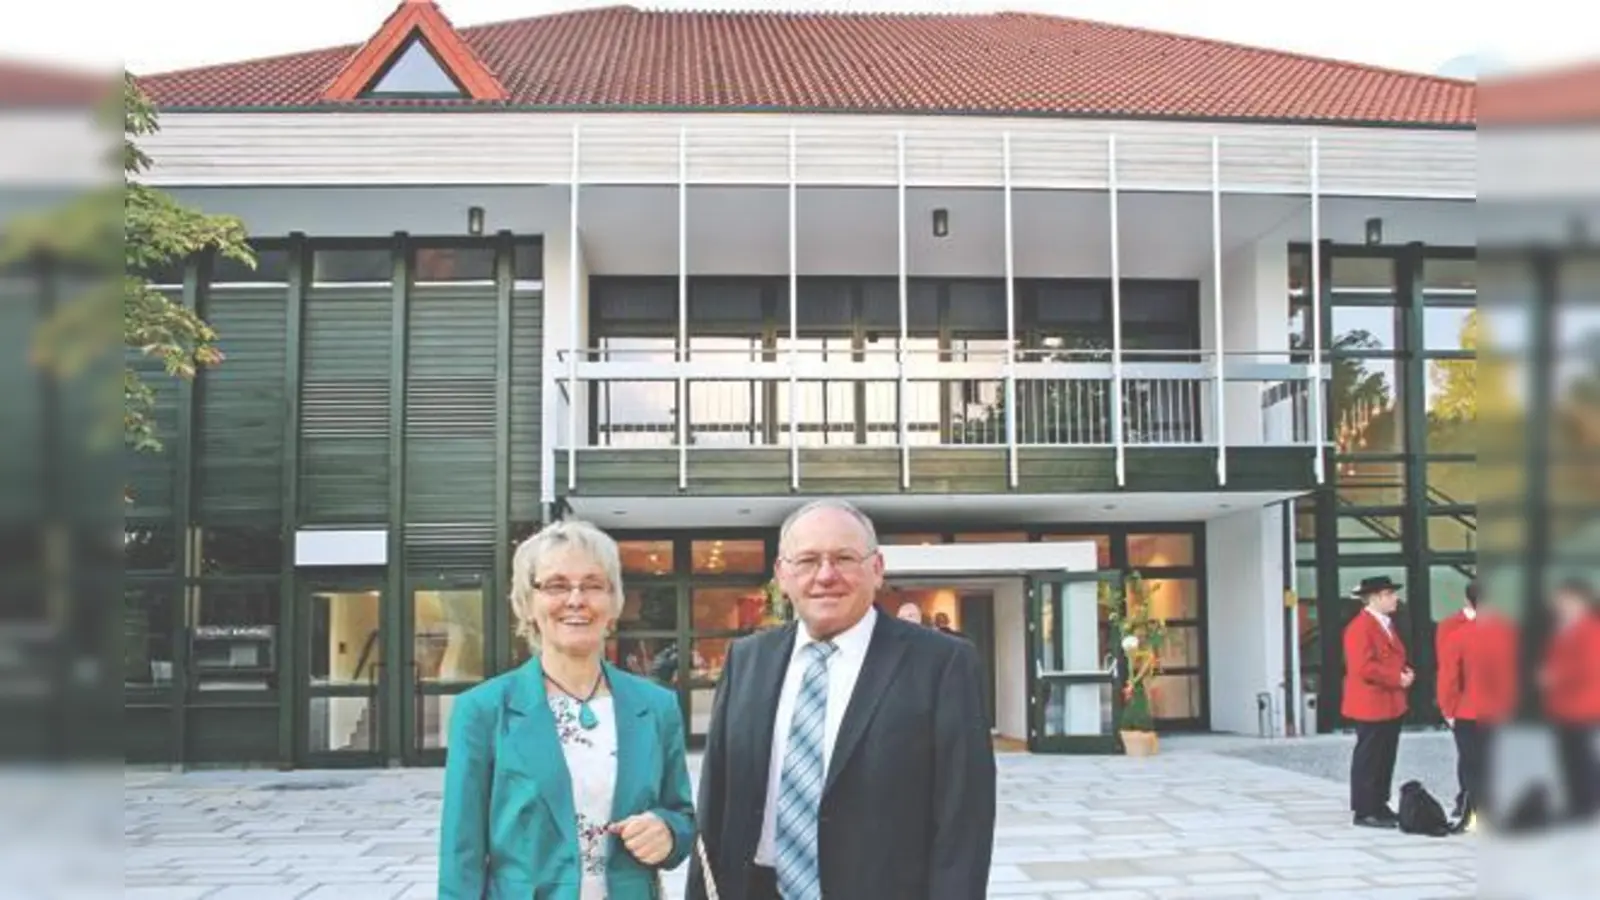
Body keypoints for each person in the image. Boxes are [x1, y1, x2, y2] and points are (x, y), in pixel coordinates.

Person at [689, 499, 996, 900]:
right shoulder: (748, 659)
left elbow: (964, 821)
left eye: (844, 558)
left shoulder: (942, 664)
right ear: (782, 574)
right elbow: (715, 801)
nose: (826, 575)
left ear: (877, 568)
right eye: (808, 560)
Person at [439, 519, 696, 900]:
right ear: (528, 603)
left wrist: (668, 833)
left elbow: (681, 815)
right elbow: (462, 852)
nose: (576, 599)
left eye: (593, 585)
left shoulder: (656, 706)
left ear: (613, 602)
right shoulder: (483, 710)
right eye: (557, 585)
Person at [1436, 579, 1517, 828]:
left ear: (1469, 601)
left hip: (1468, 710)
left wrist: (1448, 710)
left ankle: (1474, 815)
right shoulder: (1511, 632)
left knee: (1471, 763)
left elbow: (1448, 677)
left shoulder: (1459, 635)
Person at [1342, 575, 1413, 829]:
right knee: (1369, 756)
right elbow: (1364, 667)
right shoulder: (1360, 627)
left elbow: (1391, 657)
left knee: (1385, 756)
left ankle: (1379, 803)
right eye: (1390, 594)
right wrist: (1397, 677)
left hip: (1390, 700)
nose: (1395, 598)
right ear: (1375, 598)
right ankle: (1364, 809)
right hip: (1371, 702)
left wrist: (1403, 673)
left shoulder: (1385, 624)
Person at [1541, 578, 1600, 822]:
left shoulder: (1589, 629)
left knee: (1580, 755)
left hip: (1582, 704)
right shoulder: (1565, 628)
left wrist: (1555, 676)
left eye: (1563, 599)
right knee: (1569, 755)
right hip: (1564, 705)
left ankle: (1584, 804)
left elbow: (1589, 666)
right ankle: (1578, 801)